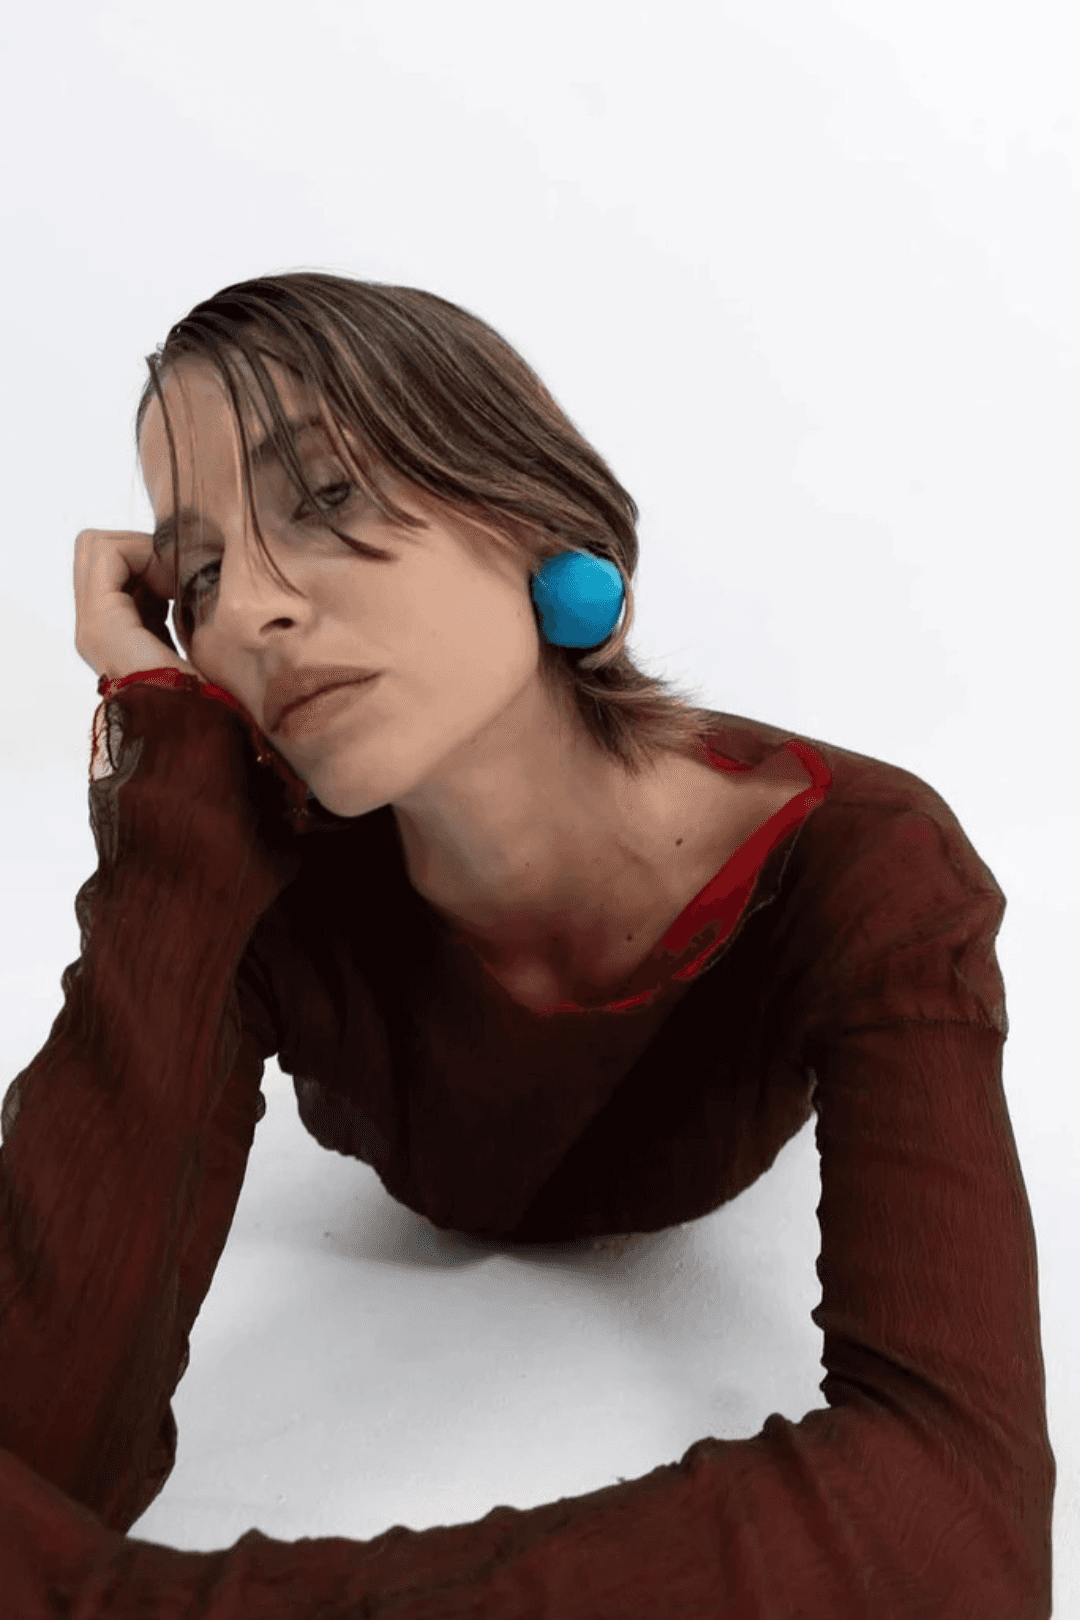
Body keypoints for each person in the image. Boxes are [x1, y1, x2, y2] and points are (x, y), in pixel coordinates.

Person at [0, 273, 1055, 1616]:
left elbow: (955, 1527)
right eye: (198, 574)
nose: (250, 608)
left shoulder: (869, 866)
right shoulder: (260, 880)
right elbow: (35, 1426)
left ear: (527, 512)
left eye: (322, 495)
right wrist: (160, 753)